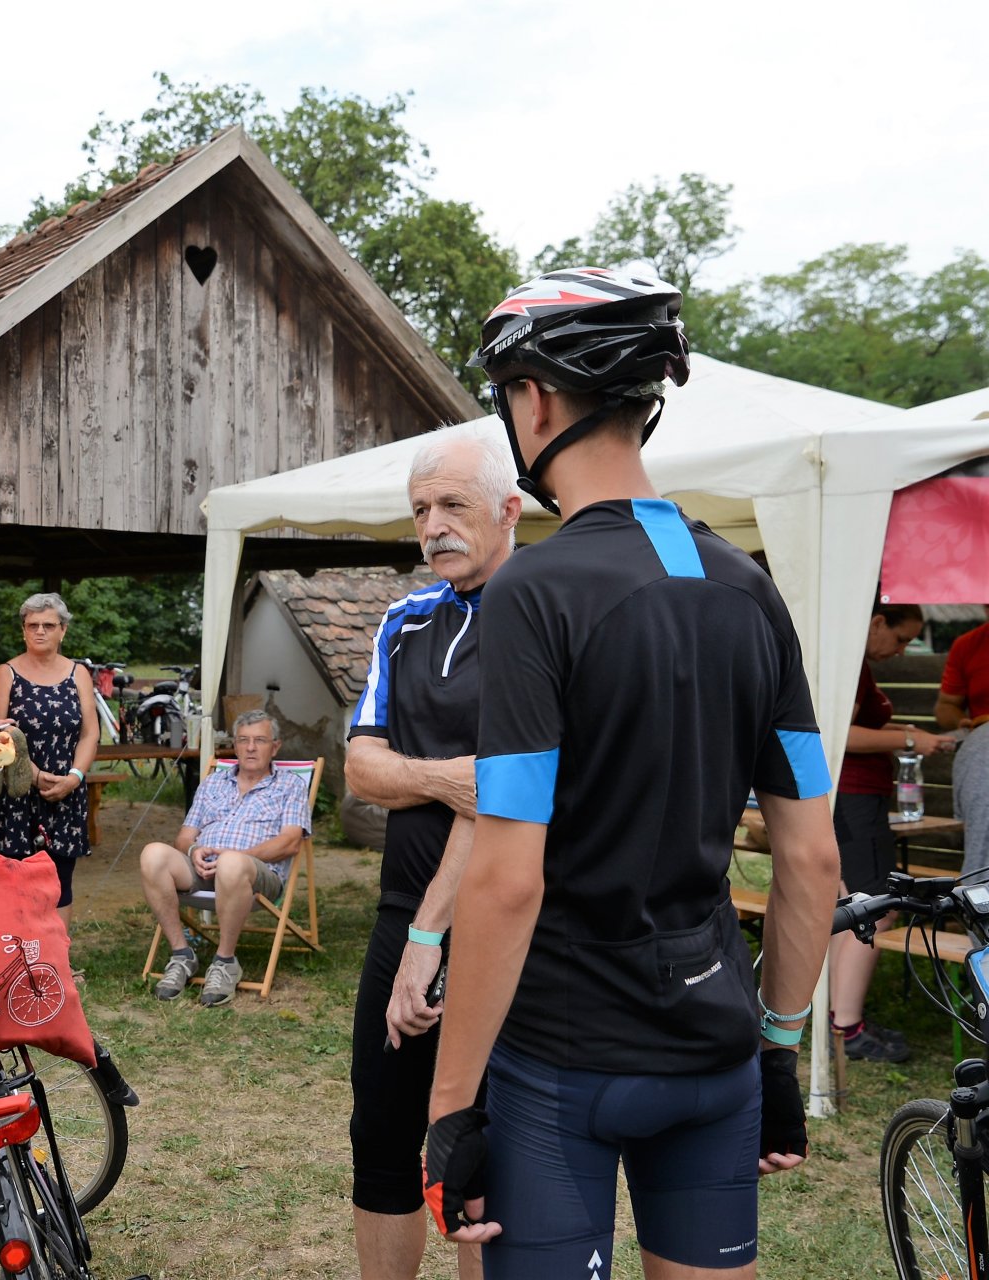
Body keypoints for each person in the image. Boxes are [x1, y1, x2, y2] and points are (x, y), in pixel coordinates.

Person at [422, 269, 843, 1277]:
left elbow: (509, 875)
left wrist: (449, 1109)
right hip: (716, 1055)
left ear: (534, 399)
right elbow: (814, 856)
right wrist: (779, 1047)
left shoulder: (536, 588)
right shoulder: (751, 590)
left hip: (561, 1060)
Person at [343, 430, 520, 1280]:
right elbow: (359, 767)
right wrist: (444, 776)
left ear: (508, 510)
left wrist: (432, 935)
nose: (434, 525)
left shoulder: (541, 612)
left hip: (510, 923)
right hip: (397, 913)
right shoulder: (405, 618)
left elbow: (505, 800)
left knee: (481, 1156)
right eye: (421, 510)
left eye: (453, 505)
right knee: (379, 1134)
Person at [829, 600, 954, 1061]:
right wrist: (908, 739)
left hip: (849, 799)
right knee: (878, 910)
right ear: (877, 622)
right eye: (901, 638)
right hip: (854, 799)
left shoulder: (854, 663)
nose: (902, 650)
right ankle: (848, 1027)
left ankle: (841, 1021)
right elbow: (839, 734)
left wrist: (901, 729)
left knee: (851, 910)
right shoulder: (850, 664)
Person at [139, 710, 311, 1007]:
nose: (251, 747)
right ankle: (182, 954)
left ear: (276, 746)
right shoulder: (213, 783)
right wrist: (193, 852)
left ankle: (225, 961)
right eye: (243, 740)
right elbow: (184, 836)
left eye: (260, 740)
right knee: (152, 854)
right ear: (235, 745)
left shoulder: (290, 785)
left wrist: (237, 857)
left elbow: (291, 842)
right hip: (203, 869)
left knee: (231, 863)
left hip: (257, 875)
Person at [0, 592, 99, 925]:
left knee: (60, 880)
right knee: (13, 879)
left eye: (49, 625)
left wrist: (75, 776)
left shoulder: (79, 674)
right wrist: (32, 774)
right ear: (23, 630)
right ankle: (17, 963)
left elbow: (90, 733)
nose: (40, 631)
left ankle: (56, 965)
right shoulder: (7, 673)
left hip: (66, 789)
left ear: (63, 630)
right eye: (32, 625)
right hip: (17, 792)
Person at [938, 615, 989, 879]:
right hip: (982, 751)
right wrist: (963, 722)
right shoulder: (968, 645)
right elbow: (945, 707)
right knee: (980, 849)